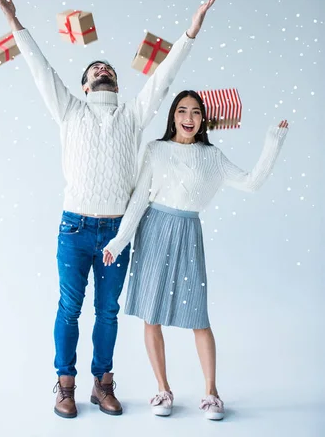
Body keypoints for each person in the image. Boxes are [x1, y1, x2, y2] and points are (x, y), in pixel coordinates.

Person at [0, 0, 219, 419]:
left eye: (108, 68)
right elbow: (39, 68)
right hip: (74, 228)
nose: (102, 70)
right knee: (70, 308)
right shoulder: (69, 110)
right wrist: (12, 19)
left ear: (115, 82)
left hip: (117, 230)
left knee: (108, 312)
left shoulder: (132, 116)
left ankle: (103, 384)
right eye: (94, 68)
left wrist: (190, 31)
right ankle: (65, 386)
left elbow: (164, 77)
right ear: (84, 84)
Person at [103, 90, 289, 420]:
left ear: (204, 119)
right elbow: (138, 201)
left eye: (195, 112)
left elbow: (251, 183)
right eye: (182, 111)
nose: (188, 118)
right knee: (151, 314)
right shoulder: (155, 150)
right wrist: (118, 243)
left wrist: (273, 142)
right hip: (153, 230)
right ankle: (162, 388)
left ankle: (212, 392)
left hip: (188, 233)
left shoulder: (212, 156)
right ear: (172, 116)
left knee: (198, 319)